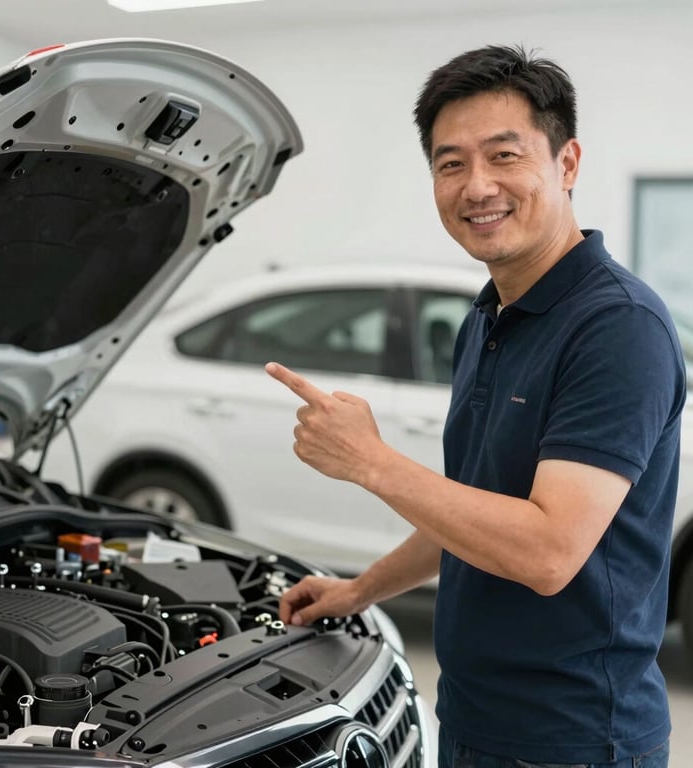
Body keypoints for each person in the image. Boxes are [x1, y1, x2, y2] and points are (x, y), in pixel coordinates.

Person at [264, 44, 686, 768]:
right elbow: (472, 510)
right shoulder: (489, 315)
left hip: (575, 741)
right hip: (472, 717)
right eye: (450, 163)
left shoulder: (618, 327)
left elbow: (549, 551)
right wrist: (360, 590)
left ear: (567, 163)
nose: (476, 186)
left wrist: (372, 463)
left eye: (503, 156)